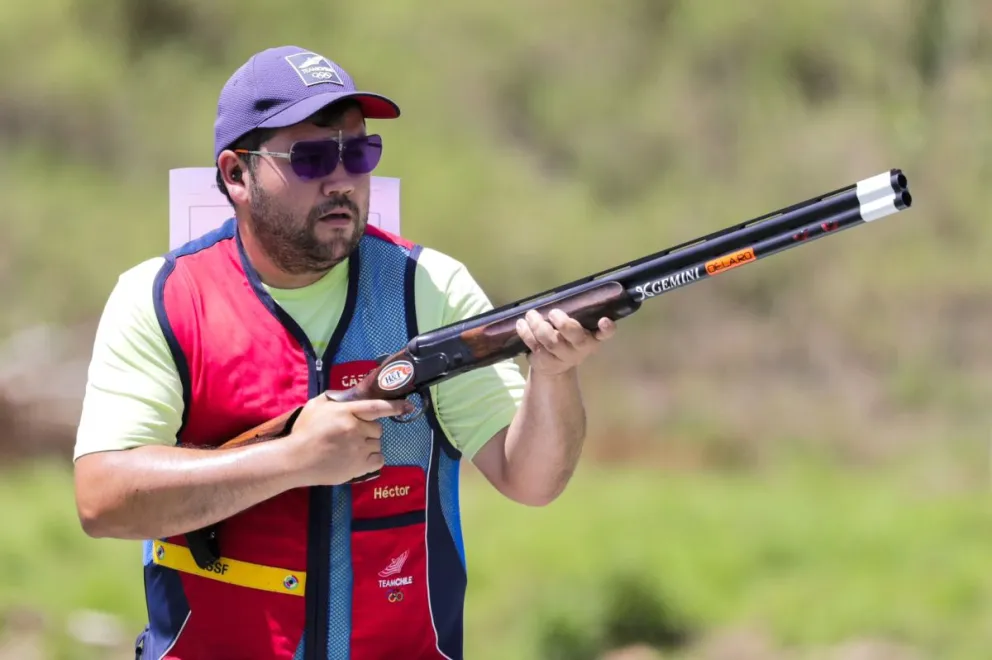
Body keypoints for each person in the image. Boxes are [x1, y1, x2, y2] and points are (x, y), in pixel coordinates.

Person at [72, 45, 616, 660]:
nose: (342, 179)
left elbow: (532, 479)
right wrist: (294, 459)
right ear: (234, 174)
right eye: (310, 157)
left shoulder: (427, 286)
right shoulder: (163, 296)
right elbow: (102, 499)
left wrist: (554, 375)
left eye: (359, 153)